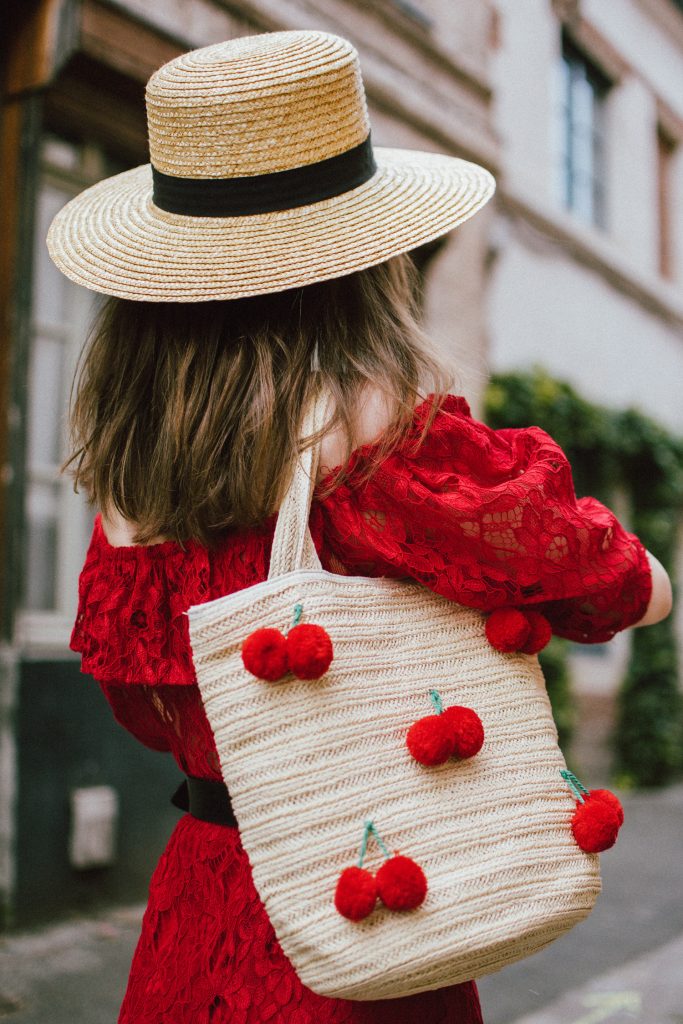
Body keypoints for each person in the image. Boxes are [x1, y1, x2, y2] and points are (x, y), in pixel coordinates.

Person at [47, 29, 671, 1024]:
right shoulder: (390, 454)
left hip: (200, 922)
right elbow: (621, 586)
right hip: (373, 912)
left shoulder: (130, 488)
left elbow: (143, 712)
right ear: (365, 268)